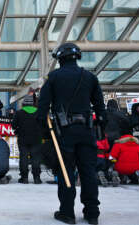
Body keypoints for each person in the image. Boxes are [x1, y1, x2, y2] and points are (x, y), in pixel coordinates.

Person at [37, 43, 106, 225]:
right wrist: (98, 126)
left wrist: (45, 131)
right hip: (86, 131)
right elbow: (100, 107)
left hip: (64, 132)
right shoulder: (90, 77)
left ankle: (67, 212)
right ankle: (92, 213)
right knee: (88, 172)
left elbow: (42, 107)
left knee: (66, 171)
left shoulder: (53, 77)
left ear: (60, 58)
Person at [12, 95, 43, 184]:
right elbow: (43, 124)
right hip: (36, 139)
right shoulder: (38, 112)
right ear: (33, 104)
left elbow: (13, 125)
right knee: (36, 158)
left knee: (23, 158)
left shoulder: (19, 113)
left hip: (23, 139)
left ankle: (24, 178)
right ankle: (37, 178)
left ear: (23, 104)